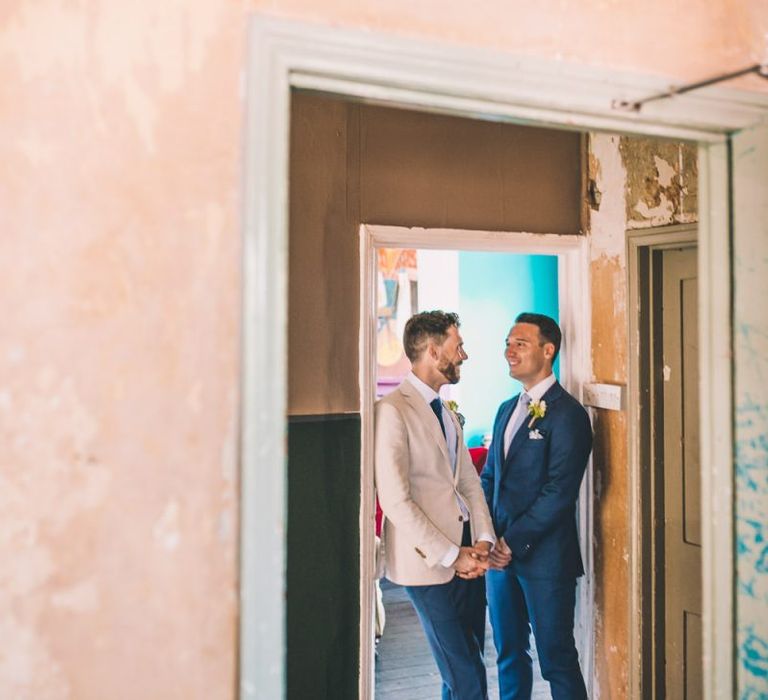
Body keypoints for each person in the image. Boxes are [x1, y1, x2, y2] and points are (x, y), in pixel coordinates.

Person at [375, 310, 495, 700]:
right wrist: (450, 555)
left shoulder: (446, 410)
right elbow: (396, 500)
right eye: (457, 346)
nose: (464, 355)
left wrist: (482, 541)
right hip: (426, 564)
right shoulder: (393, 410)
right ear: (432, 351)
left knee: (467, 668)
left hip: (468, 558)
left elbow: (468, 483)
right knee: (467, 679)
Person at [481, 313, 592, 700]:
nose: (509, 351)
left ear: (549, 351)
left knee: (556, 658)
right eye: (508, 343)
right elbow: (490, 478)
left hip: (546, 561)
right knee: (509, 654)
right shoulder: (505, 410)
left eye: (520, 344)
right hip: (498, 560)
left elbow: (559, 493)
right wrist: (487, 536)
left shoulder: (570, 415)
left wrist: (511, 542)